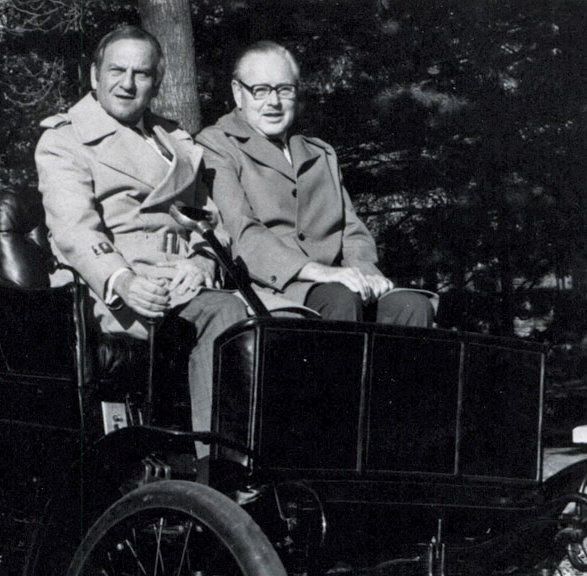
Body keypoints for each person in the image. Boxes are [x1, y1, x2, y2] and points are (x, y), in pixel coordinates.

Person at [35, 25, 247, 434]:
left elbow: (209, 218)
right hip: (118, 294)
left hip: (186, 280)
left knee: (279, 320)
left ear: (156, 83)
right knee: (229, 314)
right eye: (117, 71)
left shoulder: (174, 140)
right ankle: (220, 471)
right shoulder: (66, 140)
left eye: (142, 74)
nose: (127, 84)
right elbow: (75, 231)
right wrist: (124, 281)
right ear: (95, 76)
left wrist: (203, 261)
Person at [197, 41, 435, 327]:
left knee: (411, 305)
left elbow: (351, 229)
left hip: (337, 284)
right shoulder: (217, 145)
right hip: (270, 288)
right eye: (260, 90)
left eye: (284, 90)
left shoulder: (320, 153)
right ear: (238, 92)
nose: (273, 102)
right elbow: (241, 233)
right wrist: (318, 272)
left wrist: (364, 271)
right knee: (338, 298)